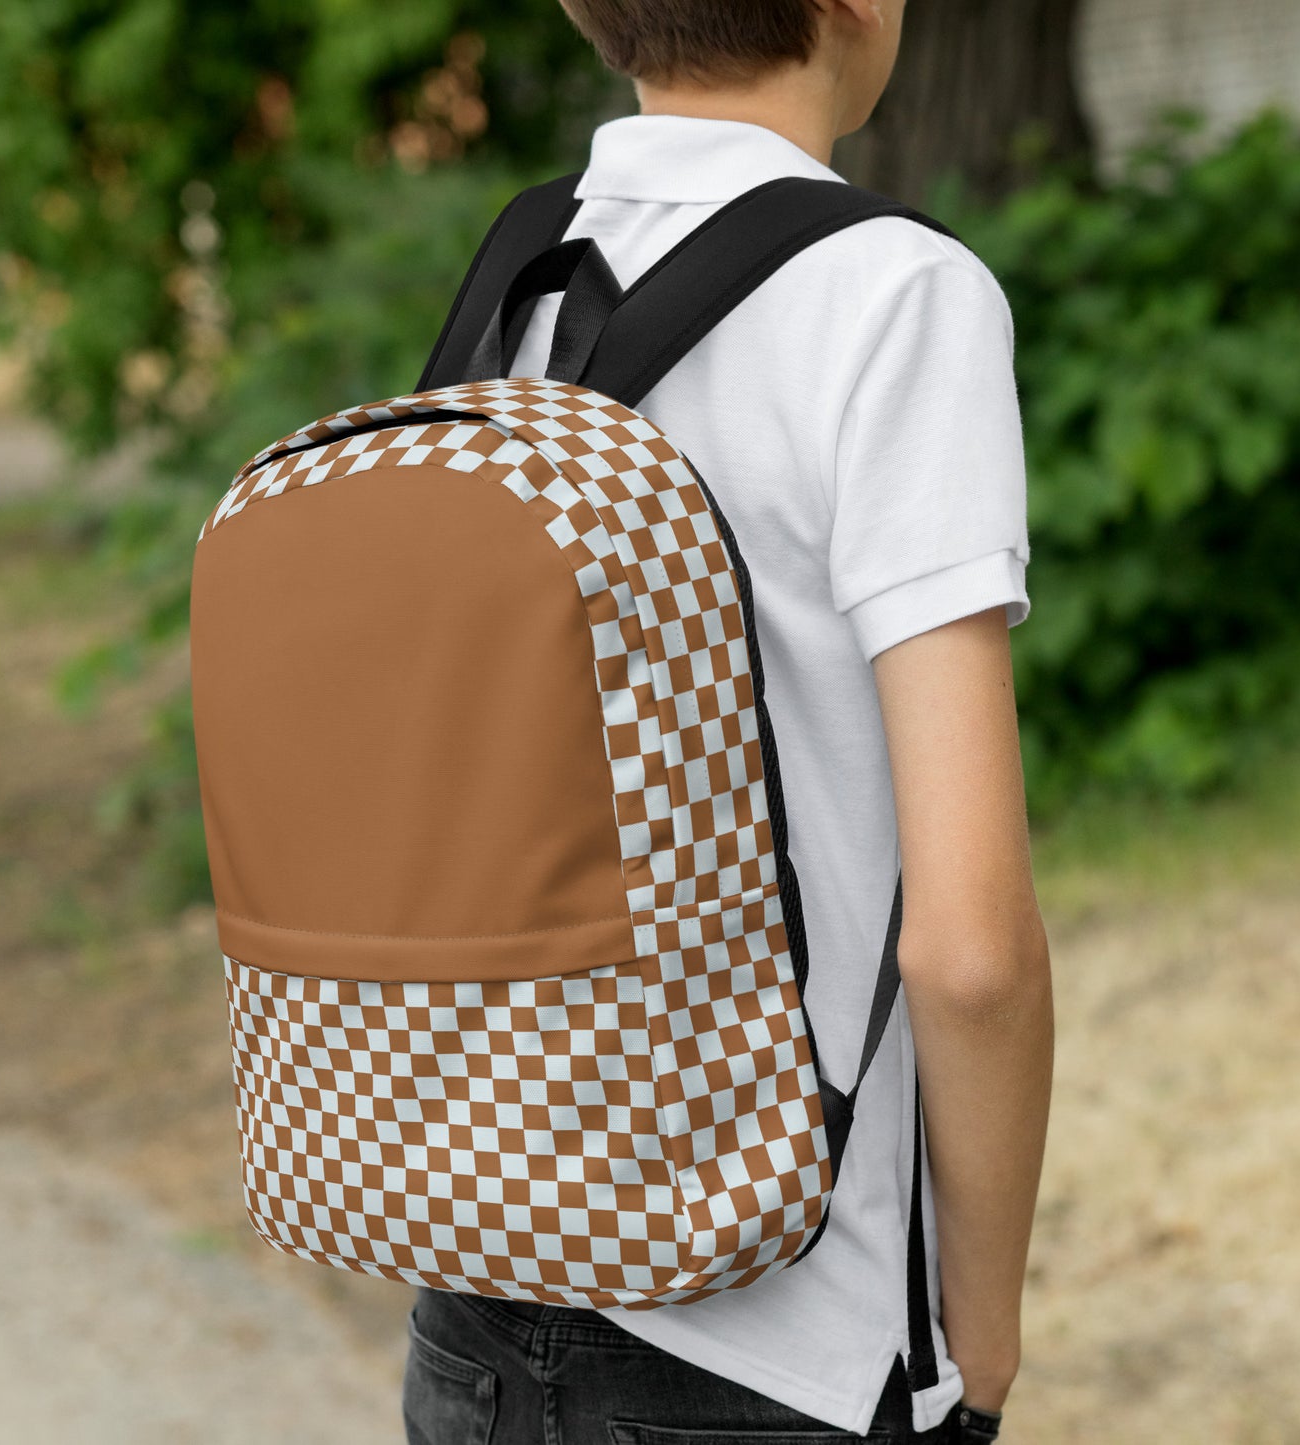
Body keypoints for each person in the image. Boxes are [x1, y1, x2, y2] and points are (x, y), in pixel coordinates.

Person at [402, 1, 1054, 1440]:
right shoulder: (895, 294)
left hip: (476, 1286)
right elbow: (969, 950)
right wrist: (981, 1335)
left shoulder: (522, 277)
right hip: (775, 1335)